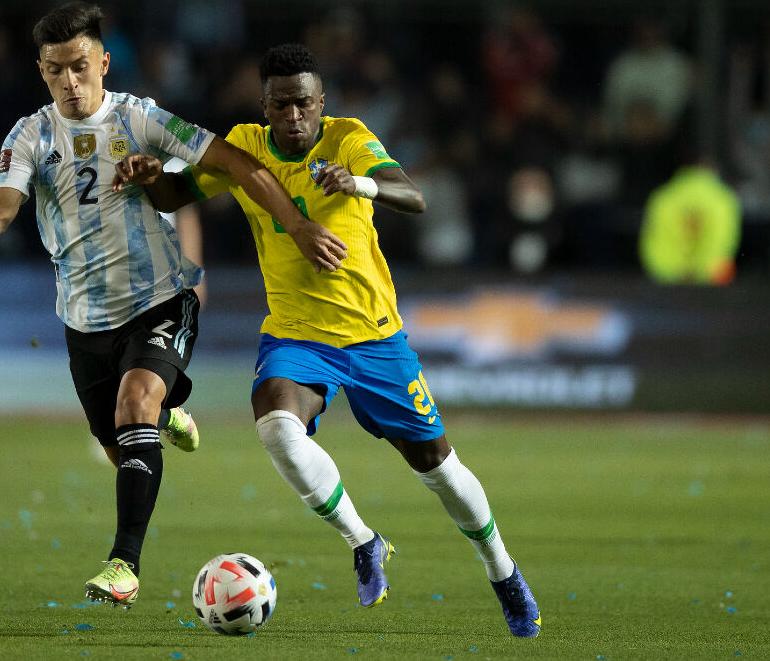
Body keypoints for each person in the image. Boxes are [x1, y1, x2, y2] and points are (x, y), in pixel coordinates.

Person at [125, 43, 540, 637]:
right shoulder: (242, 147)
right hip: (297, 337)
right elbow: (173, 195)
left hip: (375, 338)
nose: (292, 116)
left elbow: (412, 196)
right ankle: (364, 541)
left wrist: (360, 186)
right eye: (279, 105)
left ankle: (503, 572)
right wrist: (149, 177)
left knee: (438, 465)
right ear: (264, 105)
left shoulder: (347, 138)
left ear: (321, 102)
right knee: (274, 424)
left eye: (303, 103)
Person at [0, 6, 347, 611]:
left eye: (80, 66)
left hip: (160, 296)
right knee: (124, 446)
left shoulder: (140, 118)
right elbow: (5, 198)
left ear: (103, 63)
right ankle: (166, 414)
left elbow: (237, 165)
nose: (70, 81)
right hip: (83, 315)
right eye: (56, 70)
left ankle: (123, 566)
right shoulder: (29, 135)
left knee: (135, 402)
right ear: (42, 72)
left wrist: (295, 225)